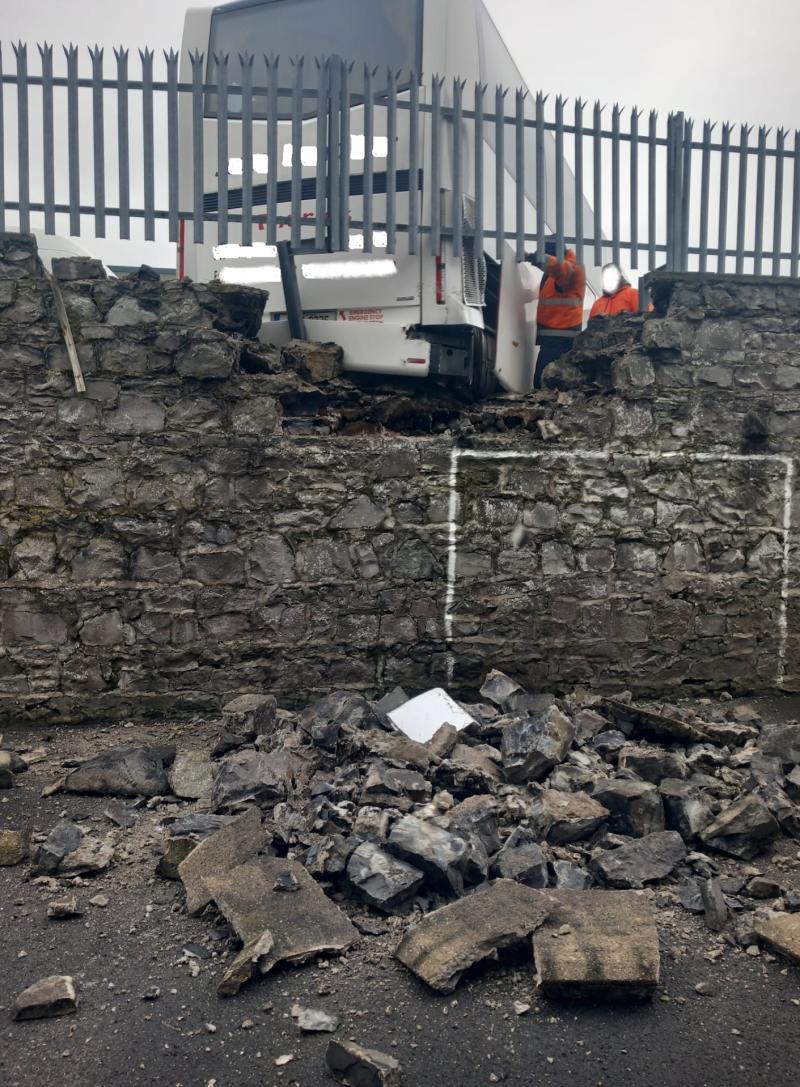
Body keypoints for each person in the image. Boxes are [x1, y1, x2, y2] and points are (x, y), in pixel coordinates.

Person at [526, 240, 586, 388]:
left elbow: (558, 267)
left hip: (560, 338)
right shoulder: (558, 274)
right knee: (546, 380)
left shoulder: (571, 267)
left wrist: (533, 257)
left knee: (543, 381)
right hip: (553, 338)